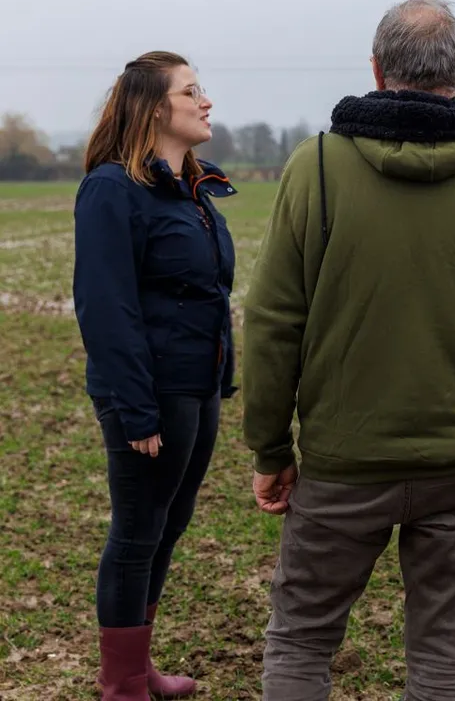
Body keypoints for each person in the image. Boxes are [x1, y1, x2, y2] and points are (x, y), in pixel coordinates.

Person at [242, 0, 455, 701]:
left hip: (343, 458)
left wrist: (271, 450)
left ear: (375, 70)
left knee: (301, 639)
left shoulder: (318, 167)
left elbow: (274, 319)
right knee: (442, 653)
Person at [73, 51, 238, 700]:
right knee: (137, 530)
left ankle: (138, 668)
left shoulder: (192, 190)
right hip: (150, 394)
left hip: (198, 390)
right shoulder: (113, 189)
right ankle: (121, 684)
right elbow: (105, 307)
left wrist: (217, 382)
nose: (206, 102)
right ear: (152, 107)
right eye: (192, 91)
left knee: (168, 524)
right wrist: (135, 409)